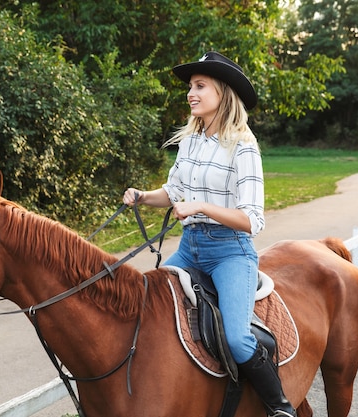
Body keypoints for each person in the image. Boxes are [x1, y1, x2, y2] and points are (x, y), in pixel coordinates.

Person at [123, 51, 296, 417]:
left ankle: (280, 407)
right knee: (141, 308)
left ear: (223, 93)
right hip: (189, 248)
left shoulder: (244, 147)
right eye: (190, 86)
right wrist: (141, 196)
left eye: (200, 86)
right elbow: (172, 193)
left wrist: (200, 206)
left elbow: (252, 219)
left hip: (229, 252)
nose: (191, 93)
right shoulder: (190, 141)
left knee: (236, 337)